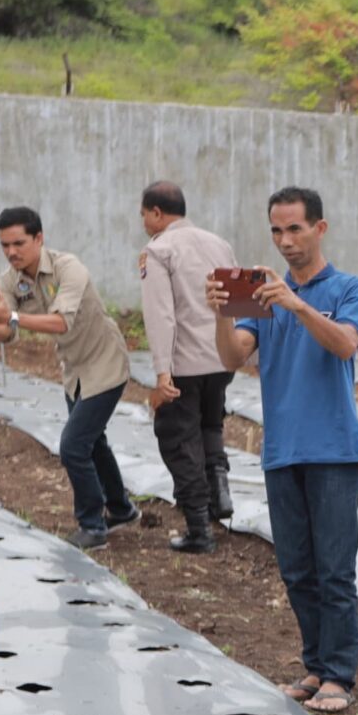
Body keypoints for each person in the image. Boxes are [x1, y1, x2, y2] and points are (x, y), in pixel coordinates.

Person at [207, 186, 358, 715]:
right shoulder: (259, 297)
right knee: (297, 568)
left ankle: (340, 675)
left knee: (334, 568)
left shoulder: (349, 288)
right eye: (276, 231)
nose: (285, 240)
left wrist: (297, 304)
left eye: (295, 229)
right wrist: (221, 314)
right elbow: (234, 357)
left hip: (334, 451)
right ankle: (315, 667)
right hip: (282, 450)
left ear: (319, 229)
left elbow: (345, 344)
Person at [0, 206, 139, 551]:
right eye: (4, 245)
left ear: (39, 238)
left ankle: (93, 526)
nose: (11, 252)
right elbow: (8, 335)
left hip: (105, 362)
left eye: (18, 243)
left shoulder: (68, 268)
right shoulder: (10, 280)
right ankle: (121, 509)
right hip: (74, 368)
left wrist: (12, 315)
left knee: (74, 446)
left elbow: (61, 322)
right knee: (93, 442)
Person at [137, 181, 240, 555]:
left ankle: (199, 528)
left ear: (157, 213)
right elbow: (237, 300)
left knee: (178, 437)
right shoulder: (219, 244)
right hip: (222, 356)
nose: (145, 223)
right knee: (210, 424)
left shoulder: (158, 250)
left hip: (184, 362)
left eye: (145, 215)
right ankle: (219, 496)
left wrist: (162, 372)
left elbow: (161, 316)